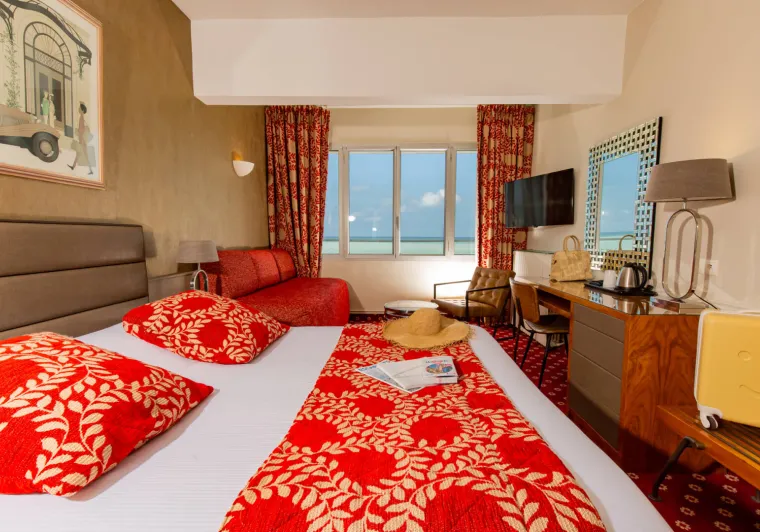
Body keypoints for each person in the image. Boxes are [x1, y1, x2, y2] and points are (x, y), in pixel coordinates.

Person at [68, 103, 93, 175]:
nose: (78, 109)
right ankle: (73, 166)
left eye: (79, 108)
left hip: (82, 139)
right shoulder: (82, 117)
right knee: (78, 153)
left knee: (85, 155)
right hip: (81, 138)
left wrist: (80, 138)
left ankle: (91, 170)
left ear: (82, 110)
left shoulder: (81, 118)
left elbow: (81, 129)